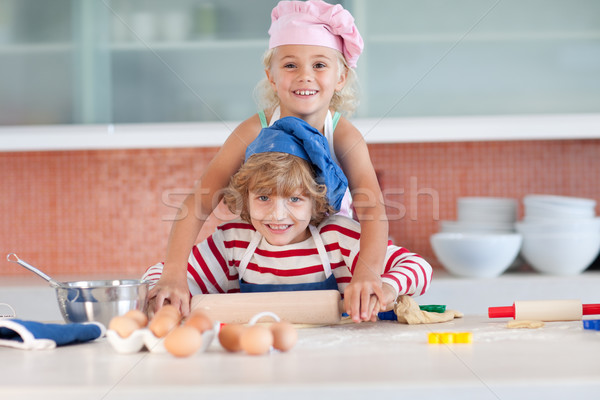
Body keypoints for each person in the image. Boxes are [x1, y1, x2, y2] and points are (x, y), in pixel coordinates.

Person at [151, 0, 389, 322]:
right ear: (272, 76)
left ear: (341, 77)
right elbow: (199, 201)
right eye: (290, 65)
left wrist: (368, 272)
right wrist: (174, 273)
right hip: (266, 259)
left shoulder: (344, 135)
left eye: (319, 65)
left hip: (328, 260)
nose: (305, 77)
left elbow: (372, 210)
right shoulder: (253, 129)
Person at [144, 117, 432, 318]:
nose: (277, 214)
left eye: (294, 199)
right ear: (245, 197)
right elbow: (163, 276)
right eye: (263, 197)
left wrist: (387, 286)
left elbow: (419, 267)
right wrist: (166, 292)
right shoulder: (235, 244)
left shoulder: (337, 240)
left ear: (315, 201)